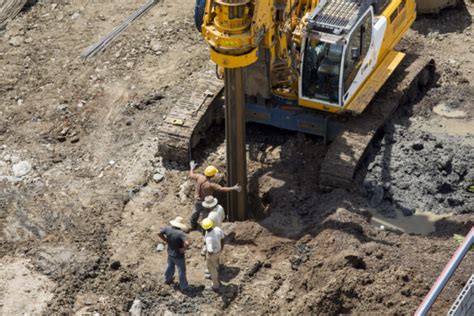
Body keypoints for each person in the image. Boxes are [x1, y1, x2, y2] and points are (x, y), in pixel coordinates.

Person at [188, 161, 240, 230]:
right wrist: (234, 188)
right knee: (206, 216)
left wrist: (192, 167)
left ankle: (192, 225)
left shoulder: (199, 177)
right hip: (206, 202)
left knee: (195, 212)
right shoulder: (211, 185)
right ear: (212, 175)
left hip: (197, 200)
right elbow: (222, 189)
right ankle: (205, 228)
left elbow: (191, 174)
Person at [158, 216, 191, 292]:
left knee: (169, 266)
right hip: (178, 255)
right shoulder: (181, 233)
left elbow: (159, 233)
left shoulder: (167, 229)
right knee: (181, 271)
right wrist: (184, 249)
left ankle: (167, 279)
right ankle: (184, 286)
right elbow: (187, 243)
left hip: (170, 252)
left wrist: (166, 240)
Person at [201, 218, 225, 292]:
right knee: (215, 262)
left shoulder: (209, 238)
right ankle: (217, 270)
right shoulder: (218, 229)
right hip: (219, 250)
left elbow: (210, 251)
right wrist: (221, 248)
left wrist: (205, 253)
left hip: (213, 254)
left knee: (211, 268)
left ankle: (215, 285)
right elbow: (223, 239)